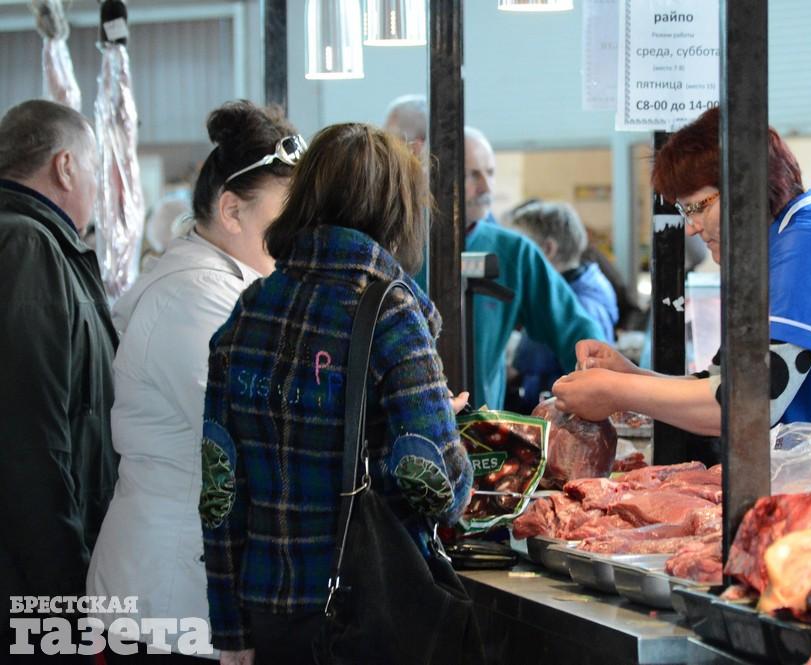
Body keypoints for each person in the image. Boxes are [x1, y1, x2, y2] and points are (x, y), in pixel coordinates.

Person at [198, 123, 474, 665]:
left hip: (270, 609)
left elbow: (220, 487)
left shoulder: (250, 308)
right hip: (368, 608)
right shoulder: (391, 313)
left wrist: (231, 631)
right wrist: (442, 428)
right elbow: (440, 490)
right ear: (397, 211)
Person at [553, 107, 811, 461]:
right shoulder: (791, 241)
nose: (692, 228)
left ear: (745, 188)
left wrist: (618, 391)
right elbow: (726, 384)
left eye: (697, 207)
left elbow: (745, 404)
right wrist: (631, 375)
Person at [85, 101, 302, 660]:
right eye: (289, 216)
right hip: (163, 601)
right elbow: (259, 431)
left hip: (185, 594)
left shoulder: (230, 286)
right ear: (231, 210)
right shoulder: (194, 297)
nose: (301, 235)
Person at [0, 100, 118, 660]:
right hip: (30, 588)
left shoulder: (32, 243)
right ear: (65, 167)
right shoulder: (27, 247)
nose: (98, 188)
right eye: (95, 168)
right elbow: (32, 437)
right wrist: (69, 598)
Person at [464, 127, 604, 409]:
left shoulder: (514, 253)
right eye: (472, 175)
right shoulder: (402, 247)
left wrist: (599, 390)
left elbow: (577, 331)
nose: (486, 188)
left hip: (479, 430)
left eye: (490, 173)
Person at [506, 201, 618, 410]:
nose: (512, 259)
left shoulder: (583, 306)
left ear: (548, 249)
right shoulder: (569, 291)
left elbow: (590, 386)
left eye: (520, 249)